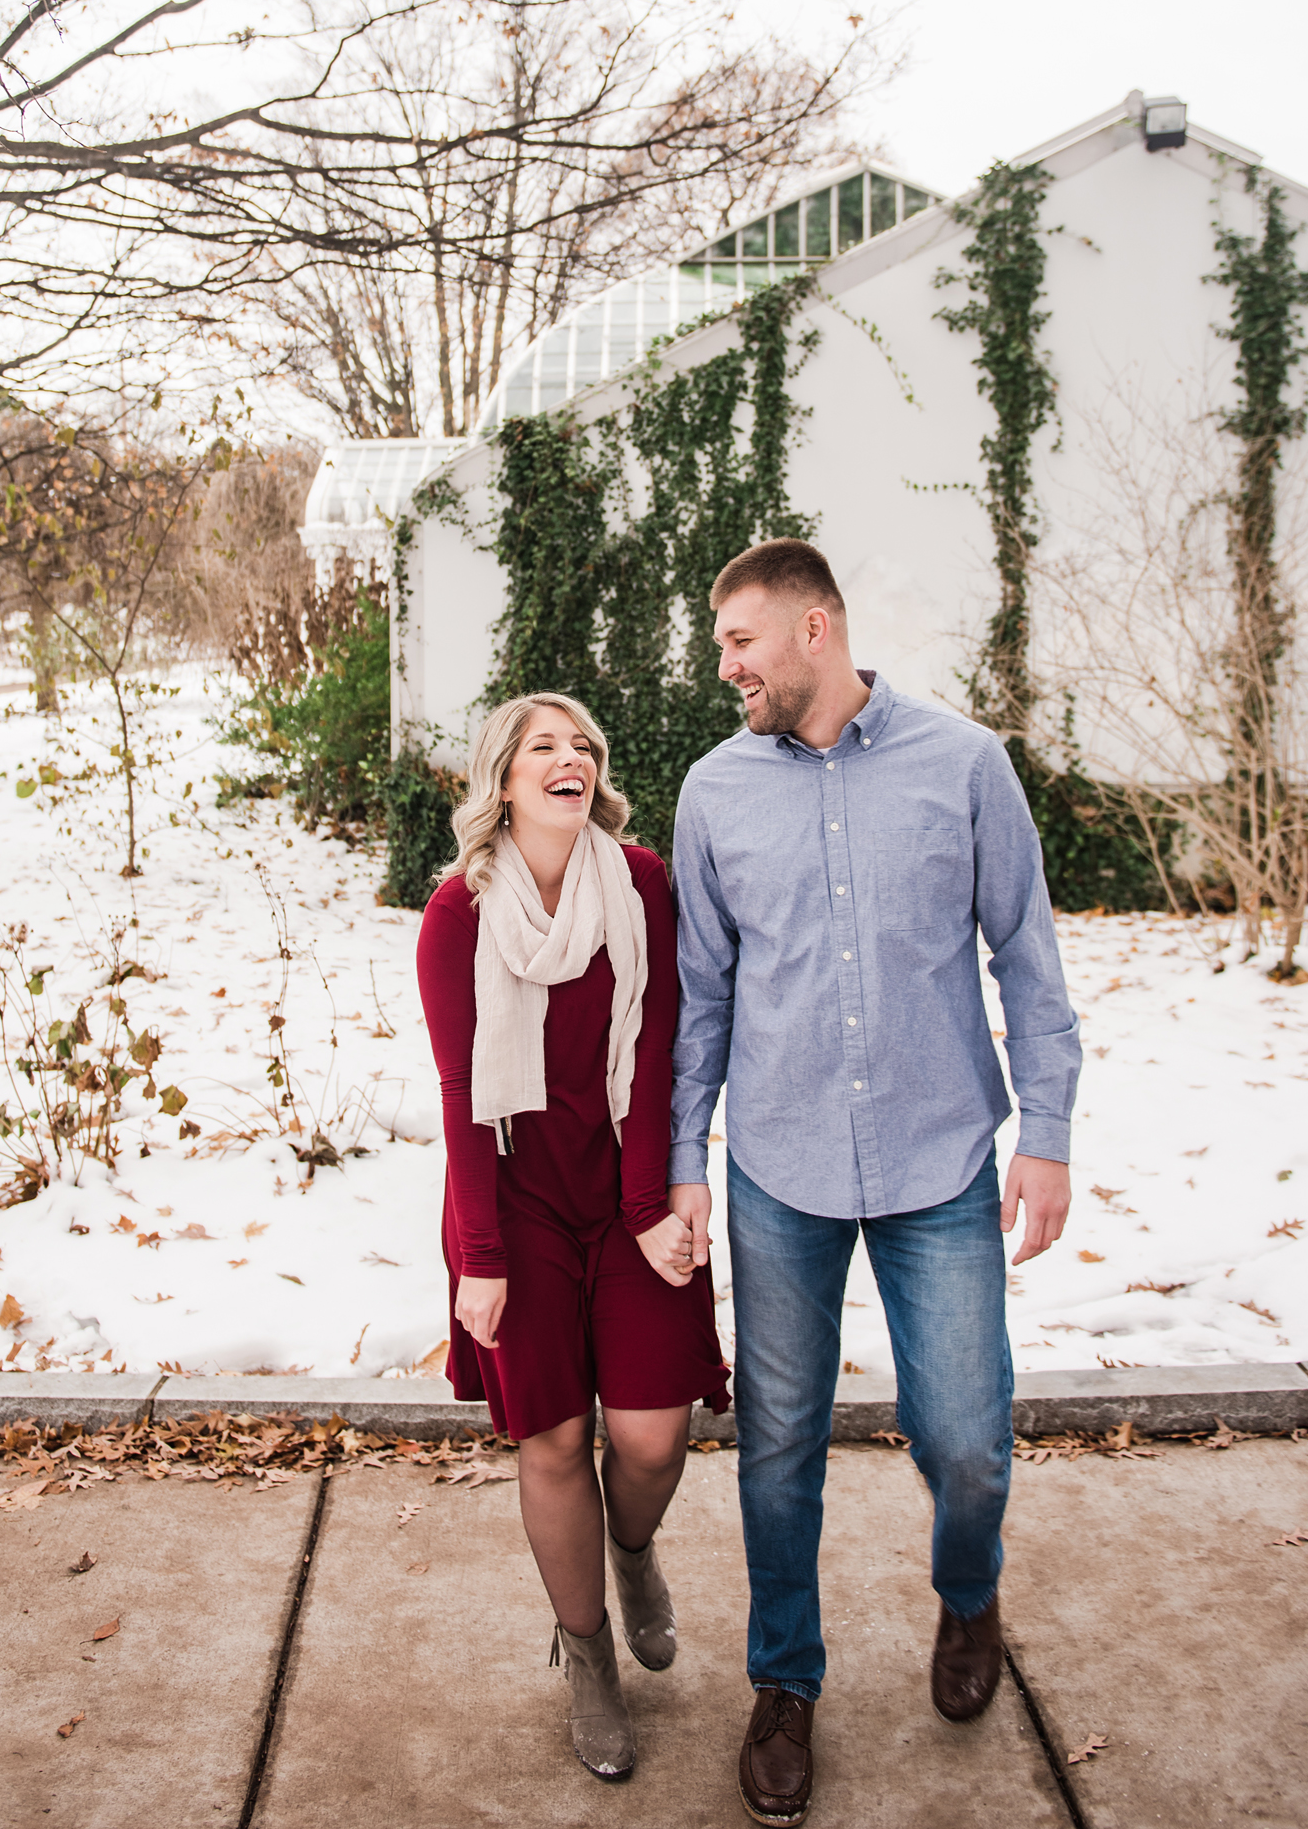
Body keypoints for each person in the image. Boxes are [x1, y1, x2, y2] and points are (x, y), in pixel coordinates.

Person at [666, 539, 1082, 1827]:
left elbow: (1025, 953)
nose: (723, 665)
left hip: (937, 1157)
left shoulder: (961, 764)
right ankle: (783, 1683)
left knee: (963, 1437)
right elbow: (701, 999)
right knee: (778, 1446)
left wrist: (1047, 1131)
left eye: (739, 640)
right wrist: (684, 1158)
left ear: (815, 626)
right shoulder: (711, 792)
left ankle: (970, 1596)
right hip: (778, 1168)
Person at [416, 691, 729, 1783]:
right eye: (543, 746)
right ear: (502, 779)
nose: (570, 759)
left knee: (649, 1434)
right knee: (550, 1441)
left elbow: (660, 1055)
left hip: (627, 1190)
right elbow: (461, 1091)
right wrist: (481, 1256)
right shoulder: (459, 910)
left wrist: (652, 1206)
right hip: (514, 1201)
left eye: (583, 744)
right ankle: (586, 1651)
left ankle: (630, 1553)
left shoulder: (638, 883)